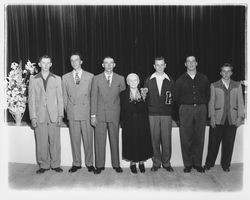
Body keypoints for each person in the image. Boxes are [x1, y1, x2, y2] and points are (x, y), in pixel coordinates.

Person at [204, 63, 244, 172]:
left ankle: (226, 165)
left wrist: (240, 117)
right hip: (217, 119)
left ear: (231, 73)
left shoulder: (237, 85)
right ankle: (209, 164)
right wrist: (211, 117)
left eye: (228, 71)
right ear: (220, 73)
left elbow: (241, 102)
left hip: (232, 120)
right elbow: (211, 103)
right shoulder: (214, 85)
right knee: (213, 144)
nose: (226, 73)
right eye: (224, 71)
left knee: (229, 144)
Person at [28, 55, 64, 174]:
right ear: (39, 64)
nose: (45, 65)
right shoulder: (33, 79)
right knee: (41, 142)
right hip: (39, 115)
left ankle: (55, 164)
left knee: (55, 141)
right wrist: (33, 117)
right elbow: (31, 99)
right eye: (43, 63)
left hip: (54, 115)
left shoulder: (57, 78)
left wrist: (60, 115)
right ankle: (43, 165)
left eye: (48, 63)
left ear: (51, 64)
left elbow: (60, 98)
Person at [174, 55, 210, 173]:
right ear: (185, 64)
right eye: (188, 61)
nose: (191, 63)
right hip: (186, 109)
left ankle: (198, 164)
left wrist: (202, 106)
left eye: (193, 61)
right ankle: (188, 164)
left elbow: (208, 95)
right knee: (186, 137)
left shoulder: (204, 78)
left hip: (201, 109)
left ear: (196, 63)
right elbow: (176, 97)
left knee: (199, 137)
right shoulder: (180, 80)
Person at [90, 56, 126, 174]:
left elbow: (123, 98)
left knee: (114, 140)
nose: (109, 65)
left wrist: (123, 116)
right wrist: (93, 115)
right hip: (100, 114)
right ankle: (99, 165)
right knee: (99, 140)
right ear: (103, 65)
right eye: (106, 63)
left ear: (114, 65)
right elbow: (93, 97)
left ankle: (116, 164)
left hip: (115, 114)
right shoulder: (96, 78)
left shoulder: (120, 79)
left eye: (111, 63)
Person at [62, 52, 95, 173]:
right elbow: (64, 97)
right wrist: (68, 111)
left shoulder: (90, 76)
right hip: (73, 112)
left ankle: (89, 163)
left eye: (77, 60)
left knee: (88, 140)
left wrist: (93, 113)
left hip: (86, 112)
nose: (74, 62)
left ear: (81, 62)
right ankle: (76, 163)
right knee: (74, 140)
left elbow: (93, 96)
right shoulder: (65, 77)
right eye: (72, 61)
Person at [144, 57, 175, 172]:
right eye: (157, 65)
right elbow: (145, 99)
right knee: (154, 140)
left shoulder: (170, 80)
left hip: (166, 115)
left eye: (162, 65)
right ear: (154, 66)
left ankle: (166, 163)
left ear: (165, 65)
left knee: (166, 140)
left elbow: (173, 99)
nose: (160, 67)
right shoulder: (148, 80)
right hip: (152, 115)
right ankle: (156, 163)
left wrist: (173, 115)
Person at [120, 73, 153, 173]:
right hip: (129, 122)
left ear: (138, 81)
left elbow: (146, 108)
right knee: (131, 141)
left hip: (142, 122)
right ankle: (133, 163)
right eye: (131, 80)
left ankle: (142, 163)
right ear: (127, 82)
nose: (133, 82)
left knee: (142, 141)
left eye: (135, 80)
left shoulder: (145, 92)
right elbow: (124, 109)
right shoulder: (123, 94)